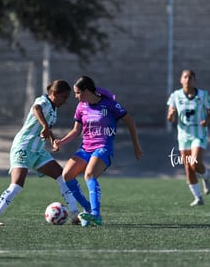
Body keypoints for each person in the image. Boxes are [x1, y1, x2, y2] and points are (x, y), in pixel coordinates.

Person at [0, 79, 80, 227]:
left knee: (63, 176)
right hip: (23, 147)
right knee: (17, 184)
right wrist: (44, 126)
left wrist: (52, 139)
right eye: (64, 97)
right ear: (54, 93)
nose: (66, 101)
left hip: (38, 152)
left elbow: (47, 128)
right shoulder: (42, 101)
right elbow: (36, 109)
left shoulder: (54, 110)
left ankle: (75, 215)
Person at [53, 76, 143, 226]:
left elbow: (130, 122)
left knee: (89, 174)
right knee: (67, 175)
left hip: (103, 149)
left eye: (77, 93)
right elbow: (76, 131)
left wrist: (136, 145)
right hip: (85, 149)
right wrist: (61, 142)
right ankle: (87, 208)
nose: (75, 96)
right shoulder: (81, 106)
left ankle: (96, 215)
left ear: (87, 91)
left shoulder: (110, 104)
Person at [167, 70, 210, 206]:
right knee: (188, 167)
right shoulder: (175, 96)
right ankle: (198, 197)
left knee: (195, 163)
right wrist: (171, 115)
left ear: (194, 80)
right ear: (180, 80)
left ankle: (205, 176)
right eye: (185, 77)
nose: (187, 79)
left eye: (190, 77)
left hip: (199, 134)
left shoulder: (203, 95)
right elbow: (170, 118)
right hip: (183, 136)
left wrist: (207, 120)